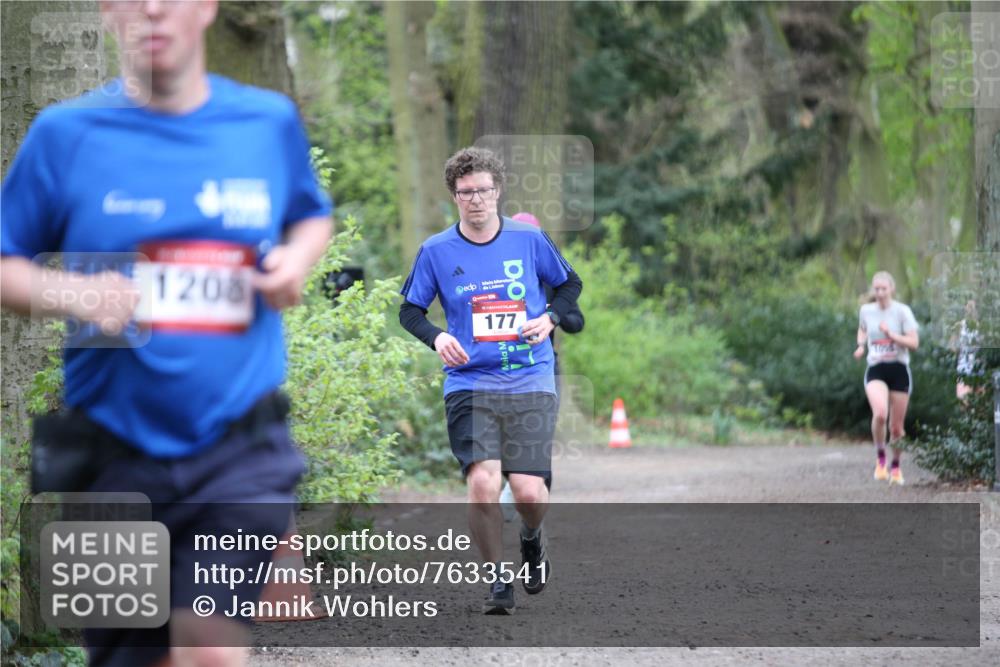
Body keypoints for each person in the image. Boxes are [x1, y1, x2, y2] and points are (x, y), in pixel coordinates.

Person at [0, 1, 333, 665]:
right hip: (109, 457)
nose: (153, 8)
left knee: (207, 649)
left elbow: (310, 216)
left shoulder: (265, 122)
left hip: (240, 447)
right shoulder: (65, 135)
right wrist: (75, 292)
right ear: (107, 11)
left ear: (207, 7)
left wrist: (294, 263)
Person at [399, 147, 582, 614]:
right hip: (469, 381)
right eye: (466, 193)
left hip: (530, 376)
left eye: (483, 190)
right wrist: (437, 338)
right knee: (482, 481)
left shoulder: (528, 239)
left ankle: (531, 536)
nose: (476, 200)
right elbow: (409, 310)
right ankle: (497, 578)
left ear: (497, 191)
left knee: (526, 491)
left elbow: (569, 285)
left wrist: (551, 319)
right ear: (454, 197)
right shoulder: (436, 251)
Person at [499, 212, 584, 521]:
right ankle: (512, 484)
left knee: (539, 438)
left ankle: (536, 511)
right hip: (502, 367)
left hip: (544, 369)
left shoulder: (552, 279)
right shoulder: (499, 276)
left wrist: (552, 315)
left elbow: (576, 322)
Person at [853, 271, 919, 486]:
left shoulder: (902, 311)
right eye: (876, 289)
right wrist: (861, 346)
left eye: (883, 289)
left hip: (899, 370)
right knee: (880, 413)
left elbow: (914, 343)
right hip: (876, 369)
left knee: (897, 428)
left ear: (892, 289)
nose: (880, 293)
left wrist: (891, 335)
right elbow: (862, 329)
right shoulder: (866, 311)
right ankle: (881, 458)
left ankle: (896, 466)